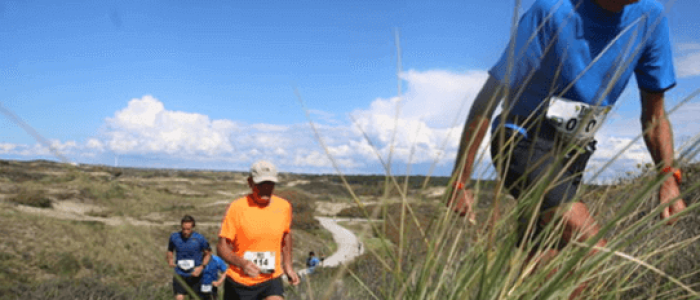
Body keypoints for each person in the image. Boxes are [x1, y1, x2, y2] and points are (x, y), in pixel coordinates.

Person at [448, 0, 687, 297]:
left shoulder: (650, 18)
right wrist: (461, 179)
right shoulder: (551, 11)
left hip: (573, 153)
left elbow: (655, 114)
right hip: (522, 138)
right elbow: (489, 97)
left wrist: (667, 176)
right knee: (590, 250)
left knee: (550, 266)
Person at [217, 160, 300, 300]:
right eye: (261, 184)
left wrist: (288, 267)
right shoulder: (236, 208)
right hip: (239, 282)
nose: (266, 188)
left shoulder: (284, 207)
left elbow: (286, 235)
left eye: (270, 184)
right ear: (250, 183)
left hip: (271, 280)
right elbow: (221, 248)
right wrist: (242, 263)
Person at [167, 215, 211, 300]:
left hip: (195, 274)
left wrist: (201, 267)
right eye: (183, 229)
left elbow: (208, 253)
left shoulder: (200, 239)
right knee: (179, 297)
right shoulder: (174, 237)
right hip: (180, 273)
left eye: (188, 229)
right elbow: (170, 249)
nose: (185, 232)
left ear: (192, 227)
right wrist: (170, 260)